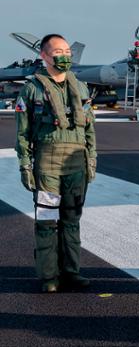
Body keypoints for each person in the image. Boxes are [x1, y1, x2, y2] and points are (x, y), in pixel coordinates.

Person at [15, 34, 97, 293]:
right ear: (44, 55)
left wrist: (91, 159)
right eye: (58, 51)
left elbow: (90, 129)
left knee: (72, 219)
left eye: (67, 51)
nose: (64, 56)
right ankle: (49, 275)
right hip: (47, 164)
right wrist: (25, 165)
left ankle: (71, 272)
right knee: (48, 220)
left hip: (76, 164)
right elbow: (23, 133)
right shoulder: (32, 89)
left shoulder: (81, 87)